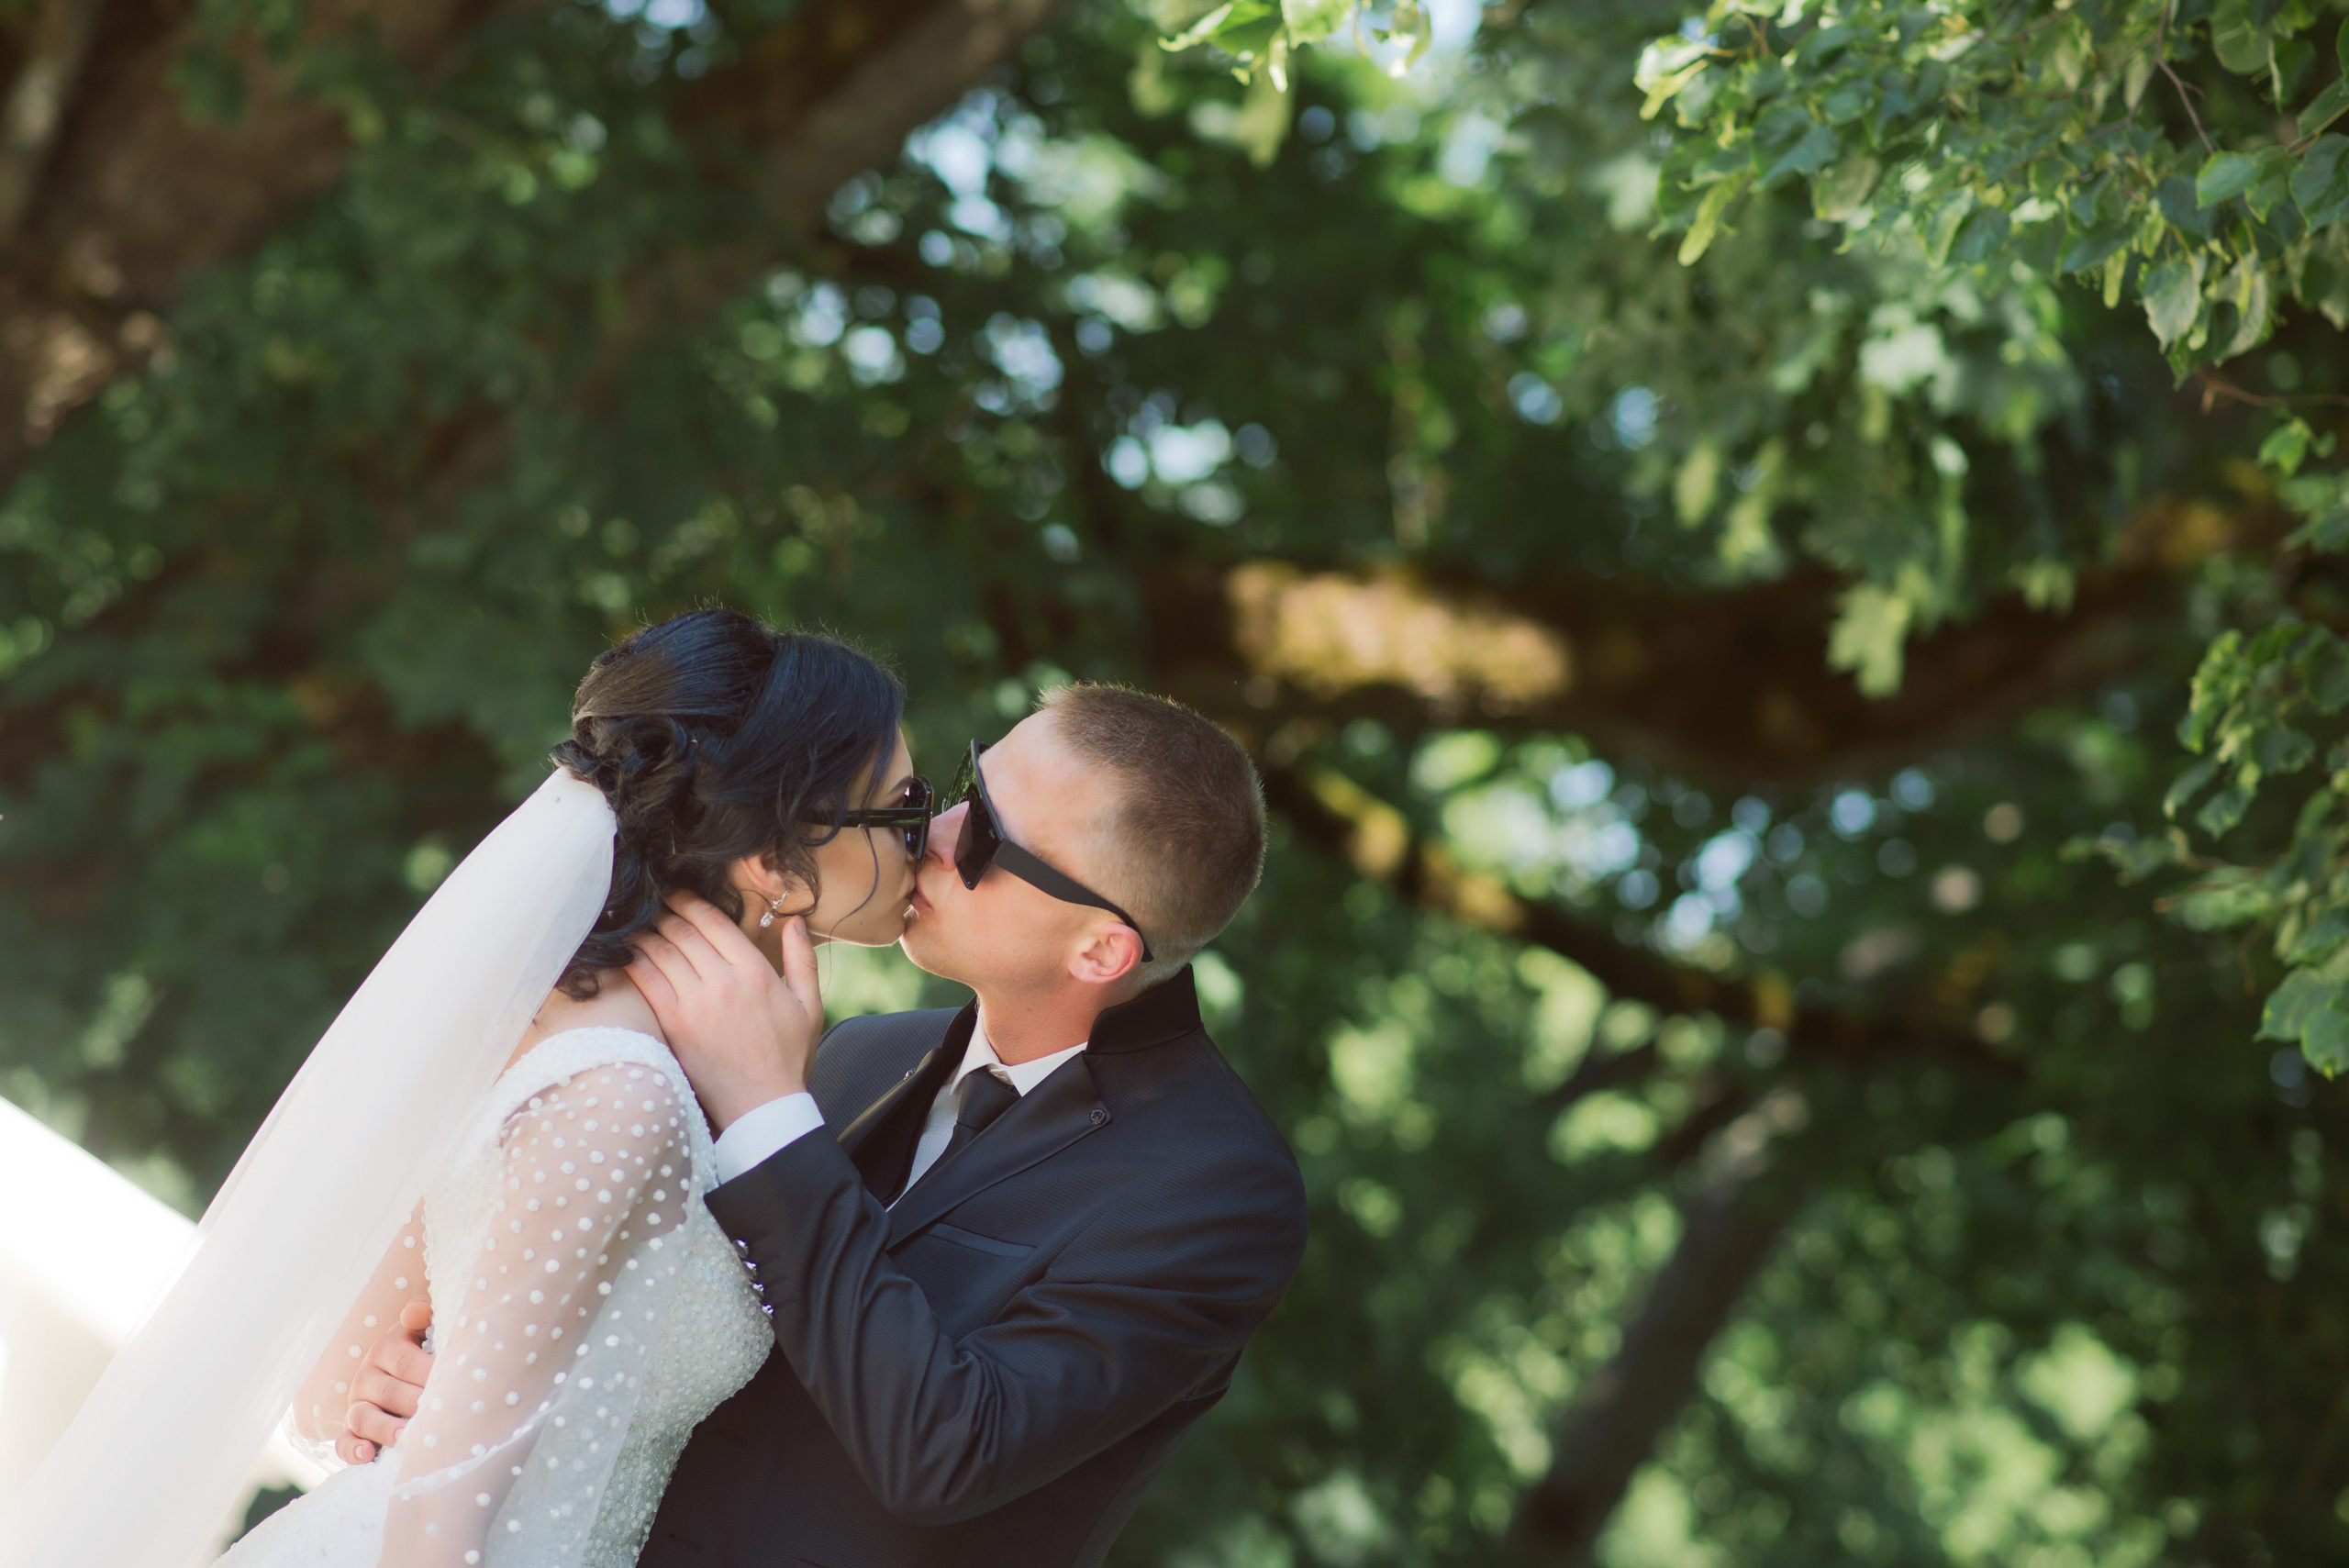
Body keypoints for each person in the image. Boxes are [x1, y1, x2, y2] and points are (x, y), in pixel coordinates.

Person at [1, 608, 928, 1568]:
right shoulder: (619, 1092)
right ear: (774, 862)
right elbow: (431, 1523)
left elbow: (337, 1386)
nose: (928, 837)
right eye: (901, 809)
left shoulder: (567, 1029)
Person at [345, 684, 1311, 1567]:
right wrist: (445, 1374)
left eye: (987, 841)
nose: (934, 832)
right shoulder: (860, 1051)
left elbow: (946, 1453)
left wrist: (769, 1115)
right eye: (966, 787)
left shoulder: (1216, 1189)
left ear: (1101, 947)